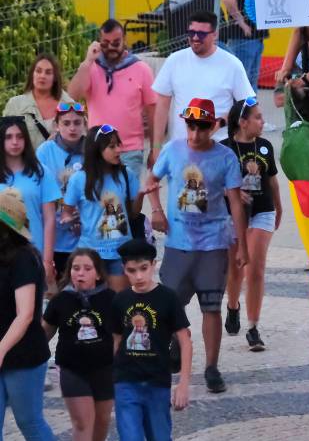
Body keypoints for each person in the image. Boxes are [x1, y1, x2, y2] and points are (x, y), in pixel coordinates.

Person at [147, 98, 245, 394]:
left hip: (213, 243)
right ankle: (175, 341)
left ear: (214, 126)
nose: (195, 133)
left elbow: (236, 202)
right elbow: (151, 180)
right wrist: (156, 211)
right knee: (169, 304)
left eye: (202, 127)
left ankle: (211, 367)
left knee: (211, 307)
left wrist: (241, 246)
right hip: (178, 243)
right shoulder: (173, 150)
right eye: (191, 126)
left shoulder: (226, 157)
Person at [109, 238, 191, 441]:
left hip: (157, 385)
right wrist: (112, 378)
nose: (139, 276)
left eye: (144, 269)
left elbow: (184, 339)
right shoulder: (120, 301)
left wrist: (183, 383)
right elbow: (117, 340)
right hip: (126, 384)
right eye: (132, 271)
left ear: (153, 266)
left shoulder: (168, 299)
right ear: (124, 270)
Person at [0, 185, 59, 441]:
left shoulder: (24, 259)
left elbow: (25, 316)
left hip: (22, 356)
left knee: (29, 421)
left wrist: (1, 350)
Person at [42, 248, 116, 441]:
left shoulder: (109, 298)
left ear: (97, 274)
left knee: (103, 418)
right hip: (72, 368)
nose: (80, 273)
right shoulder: (62, 300)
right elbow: (46, 332)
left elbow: (119, 335)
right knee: (82, 422)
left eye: (86, 268)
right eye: (75, 268)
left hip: (105, 368)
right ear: (69, 272)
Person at [65, 20, 158, 189]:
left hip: (130, 151)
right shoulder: (92, 68)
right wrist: (87, 62)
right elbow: (72, 96)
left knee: (128, 204)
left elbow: (152, 112)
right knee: (98, 202)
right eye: (105, 43)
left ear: (125, 40)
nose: (111, 47)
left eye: (116, 43)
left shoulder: (141, 69)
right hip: (97, 150)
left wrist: (154, 148)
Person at [222, 98, 282, 352]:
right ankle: (232, 306)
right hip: (232, 216)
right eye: (257, 117)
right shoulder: (223, 149)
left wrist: (279, 207)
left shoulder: (265, 146)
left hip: (262, 211)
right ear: (242, 122)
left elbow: (272, 181)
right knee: (235, 269)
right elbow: (215, 185)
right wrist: (232, 194)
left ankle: (253, 327)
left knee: (255, 268)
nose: (262, 121)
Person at [151, 10, 255, 154]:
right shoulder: (175, 60)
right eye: (191, 32)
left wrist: (221, 122)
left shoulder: (232, 64)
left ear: (214, 34)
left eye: (201, 34)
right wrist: (156, 148)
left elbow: (247, 104)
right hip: (180, 151)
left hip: (218, 151)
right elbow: (162, 106)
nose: (195, 38)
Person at [63, 126, 138, 291]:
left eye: (119, 144)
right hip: (89, 253)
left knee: (117, 305)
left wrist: (143, 194)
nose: (118, 150)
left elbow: (134, 213)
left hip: (121, 251)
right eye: (112, 146)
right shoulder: (78, 179)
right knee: (88, 306)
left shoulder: (127, 174)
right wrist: (72, 220)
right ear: (96, 150)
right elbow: (67, 211)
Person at [1, 117, 59, 286]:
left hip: (32, 254)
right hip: (2, 253)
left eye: (20, 136)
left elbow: (49, 219)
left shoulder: (41, 172)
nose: (15, 142)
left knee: (31, 309)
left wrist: (47, 261)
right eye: (8, 137)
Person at [36, 104, 87, 278]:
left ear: (84, 124)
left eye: (77, 122)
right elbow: (38, 190)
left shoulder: (92, 151)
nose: (72, 128)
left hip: (84, 236)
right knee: (54, 290)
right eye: (66, 123)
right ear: (56, 125)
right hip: (54, 235)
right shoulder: (44, 151)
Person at [3, 54, 76, 151]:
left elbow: (81, 142)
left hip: (61, 165)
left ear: (55, 78)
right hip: (26, 165)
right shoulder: (15, 105)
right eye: (38, 71)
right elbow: (4, 142)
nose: (42, 76)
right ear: (32, 74)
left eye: (48, 72)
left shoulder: (69, 104)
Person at [219, 0, 268, 89]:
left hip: (254, 37)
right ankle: (243, 108)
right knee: (241, 85)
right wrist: (241, 22)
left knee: (248, 85)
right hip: (243, 38)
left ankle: (250, 108)